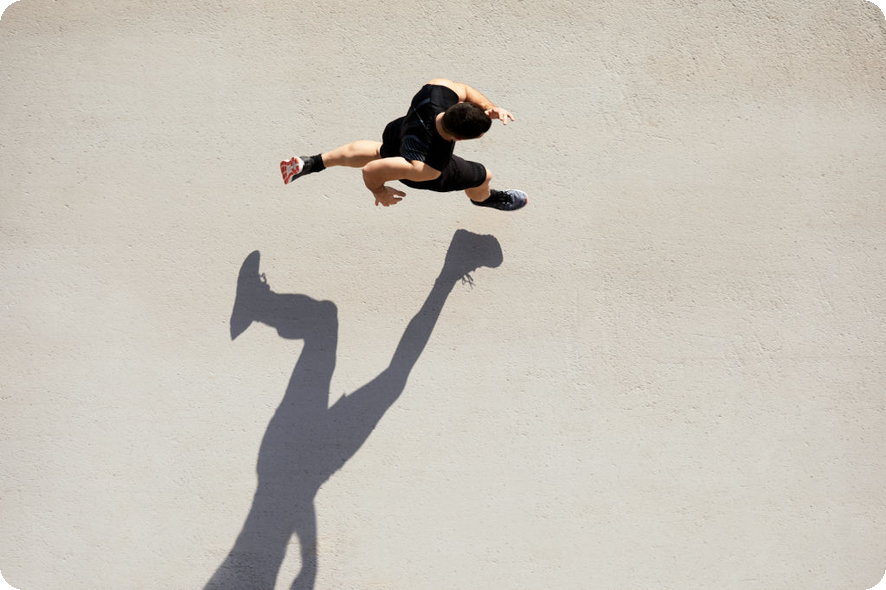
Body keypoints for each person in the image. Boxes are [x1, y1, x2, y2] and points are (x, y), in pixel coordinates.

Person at [280, 78, 528, 211]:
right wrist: (379, 192)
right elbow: (371, 171)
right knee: (483, 175)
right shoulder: (429, 166)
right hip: (419, 166)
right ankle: (483, 199)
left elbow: (462, 88)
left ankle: (311, 163)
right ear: (458, 139)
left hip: (400, 133)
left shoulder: (437, 90)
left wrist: (488, 108)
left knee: (380, 151)